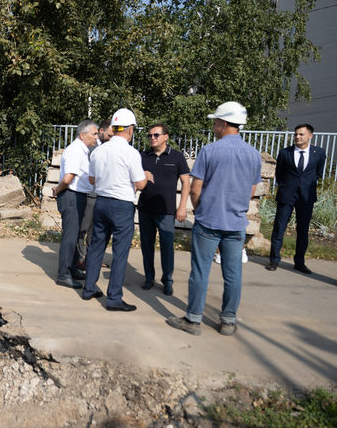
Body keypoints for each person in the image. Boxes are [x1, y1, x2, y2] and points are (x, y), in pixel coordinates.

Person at [167, 102, 261, 336]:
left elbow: (196, 189)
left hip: (209, 221)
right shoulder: (253, 154)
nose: (213, 126)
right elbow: (251, 191)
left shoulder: (210, 151)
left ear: (224, 123)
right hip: (236, 223)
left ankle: (193, 319)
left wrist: (200, 210)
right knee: (233, 273)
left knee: (200, 271)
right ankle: (228, 321)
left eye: (215, 122)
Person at [81, 108, 149, 311]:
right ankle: (114, 299)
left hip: (101, 203)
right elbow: (141, 184)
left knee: (96, 247)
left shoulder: (99, 150)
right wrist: (145, 176)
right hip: (122, 205)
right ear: (129, 129)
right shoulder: (131, 152)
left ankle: (88, 289)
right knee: (119, 253)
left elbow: (92, 179)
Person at [138, 123, 190, 296]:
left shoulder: (177, 157)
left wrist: (182, 206)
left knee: (167, 247)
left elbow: (186, 183)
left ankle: (167, 280)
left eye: (156, 135)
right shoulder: (142, 156)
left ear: (166, 136)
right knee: (147, 246)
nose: (152, 138)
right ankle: (148, 278)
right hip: (145, 208)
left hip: (167, 211)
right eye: (150, 135)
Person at [266, 123, 326, 274]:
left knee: (303, 230)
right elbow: (279, 174)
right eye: (296, 134)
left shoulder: (318, 153)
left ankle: (299, 262)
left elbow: (317, 173)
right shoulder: (285, 153)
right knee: (279, 228)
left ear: (310, 136)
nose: (297, 137)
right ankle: (274, 260)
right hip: (287, 195)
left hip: (306, 197)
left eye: (301, 134)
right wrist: (288, 186)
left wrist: (304, 185)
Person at [51, 120, 98, 288]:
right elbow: (67, 178)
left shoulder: (82, 151)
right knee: (70, 237)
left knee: (76, 234)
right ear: (82, 135)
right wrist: (58, 189)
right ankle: (63, 274)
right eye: (94, 133)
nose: (96, 137)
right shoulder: (75, 151)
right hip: (71, 196)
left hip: (78, 195)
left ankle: (71, 268)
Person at [73, 121, 100, 276]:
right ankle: (78, 260)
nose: (96, 137)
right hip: (88, 195)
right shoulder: (86, 150)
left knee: (92, 232)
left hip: (98, 196)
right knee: (81, 231)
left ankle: (89, 260)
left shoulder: (99, 147)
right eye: (94, 134)